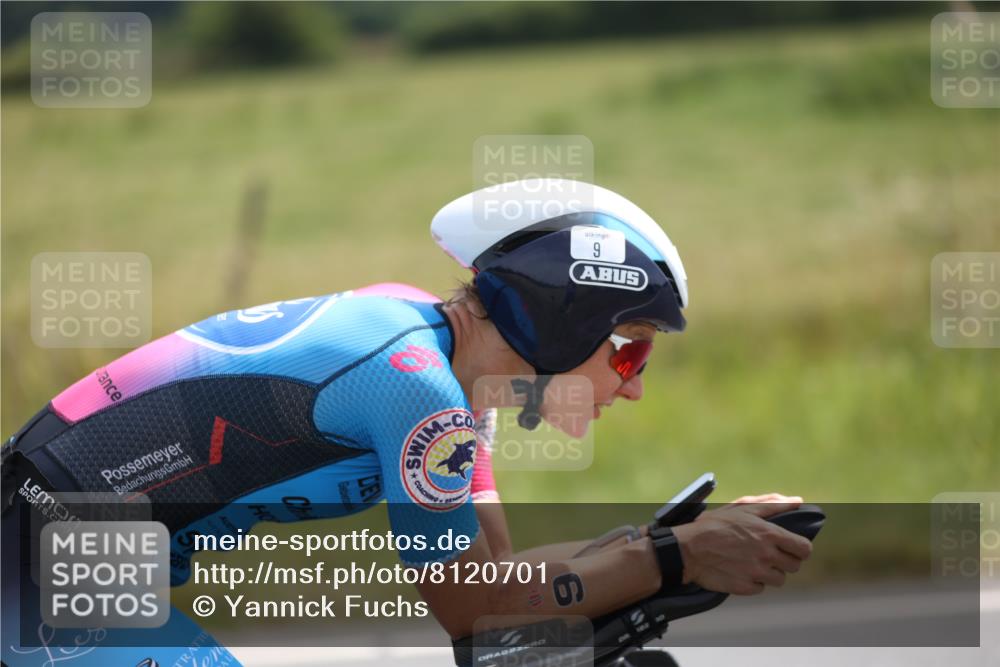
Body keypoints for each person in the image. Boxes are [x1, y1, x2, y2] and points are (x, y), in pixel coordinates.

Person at [1, 179, 812, 666]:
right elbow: (478, 615)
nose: (633, 387)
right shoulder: (416, 388)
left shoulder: (444, 370)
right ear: (567, 321)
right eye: (631, 351)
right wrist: (673, 557)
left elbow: (500, 577)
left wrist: (673, 538)